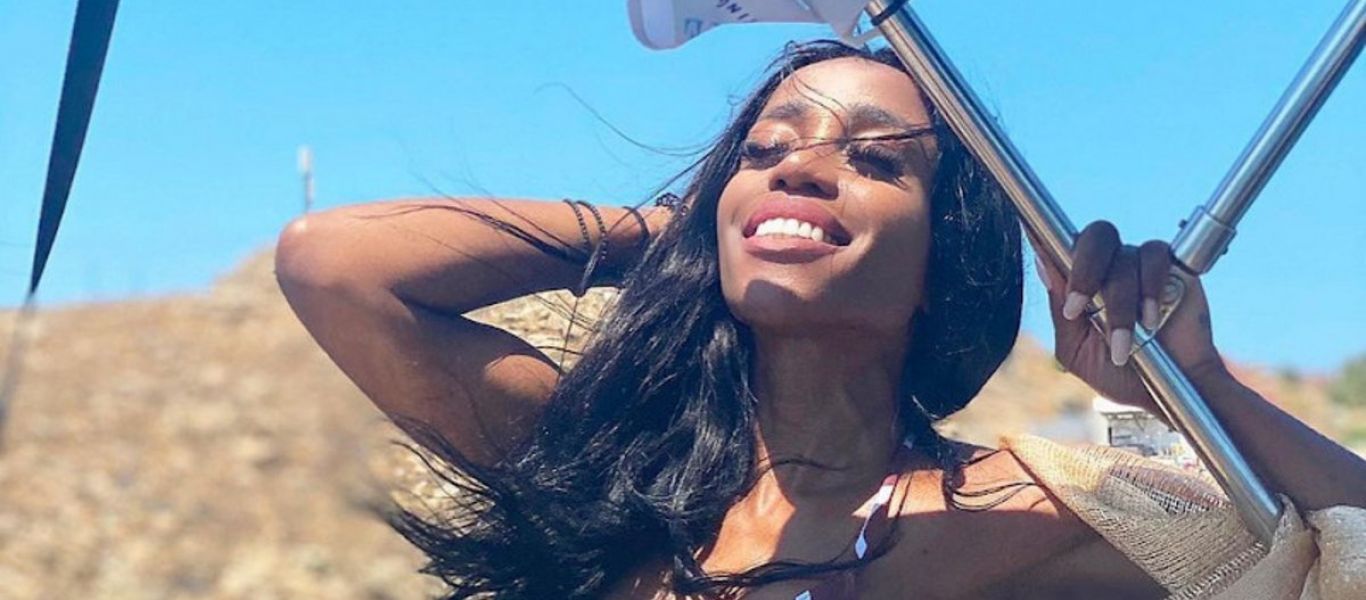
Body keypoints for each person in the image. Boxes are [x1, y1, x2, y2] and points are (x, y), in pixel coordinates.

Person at [274, 42, 1365, 599]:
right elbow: (338, 266)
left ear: (942, 264)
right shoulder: (614, 481)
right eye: (765, 151)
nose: (800, 168)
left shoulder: (1029, 514)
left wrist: (1194, 386)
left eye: (876, 161)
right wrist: (683, 232)